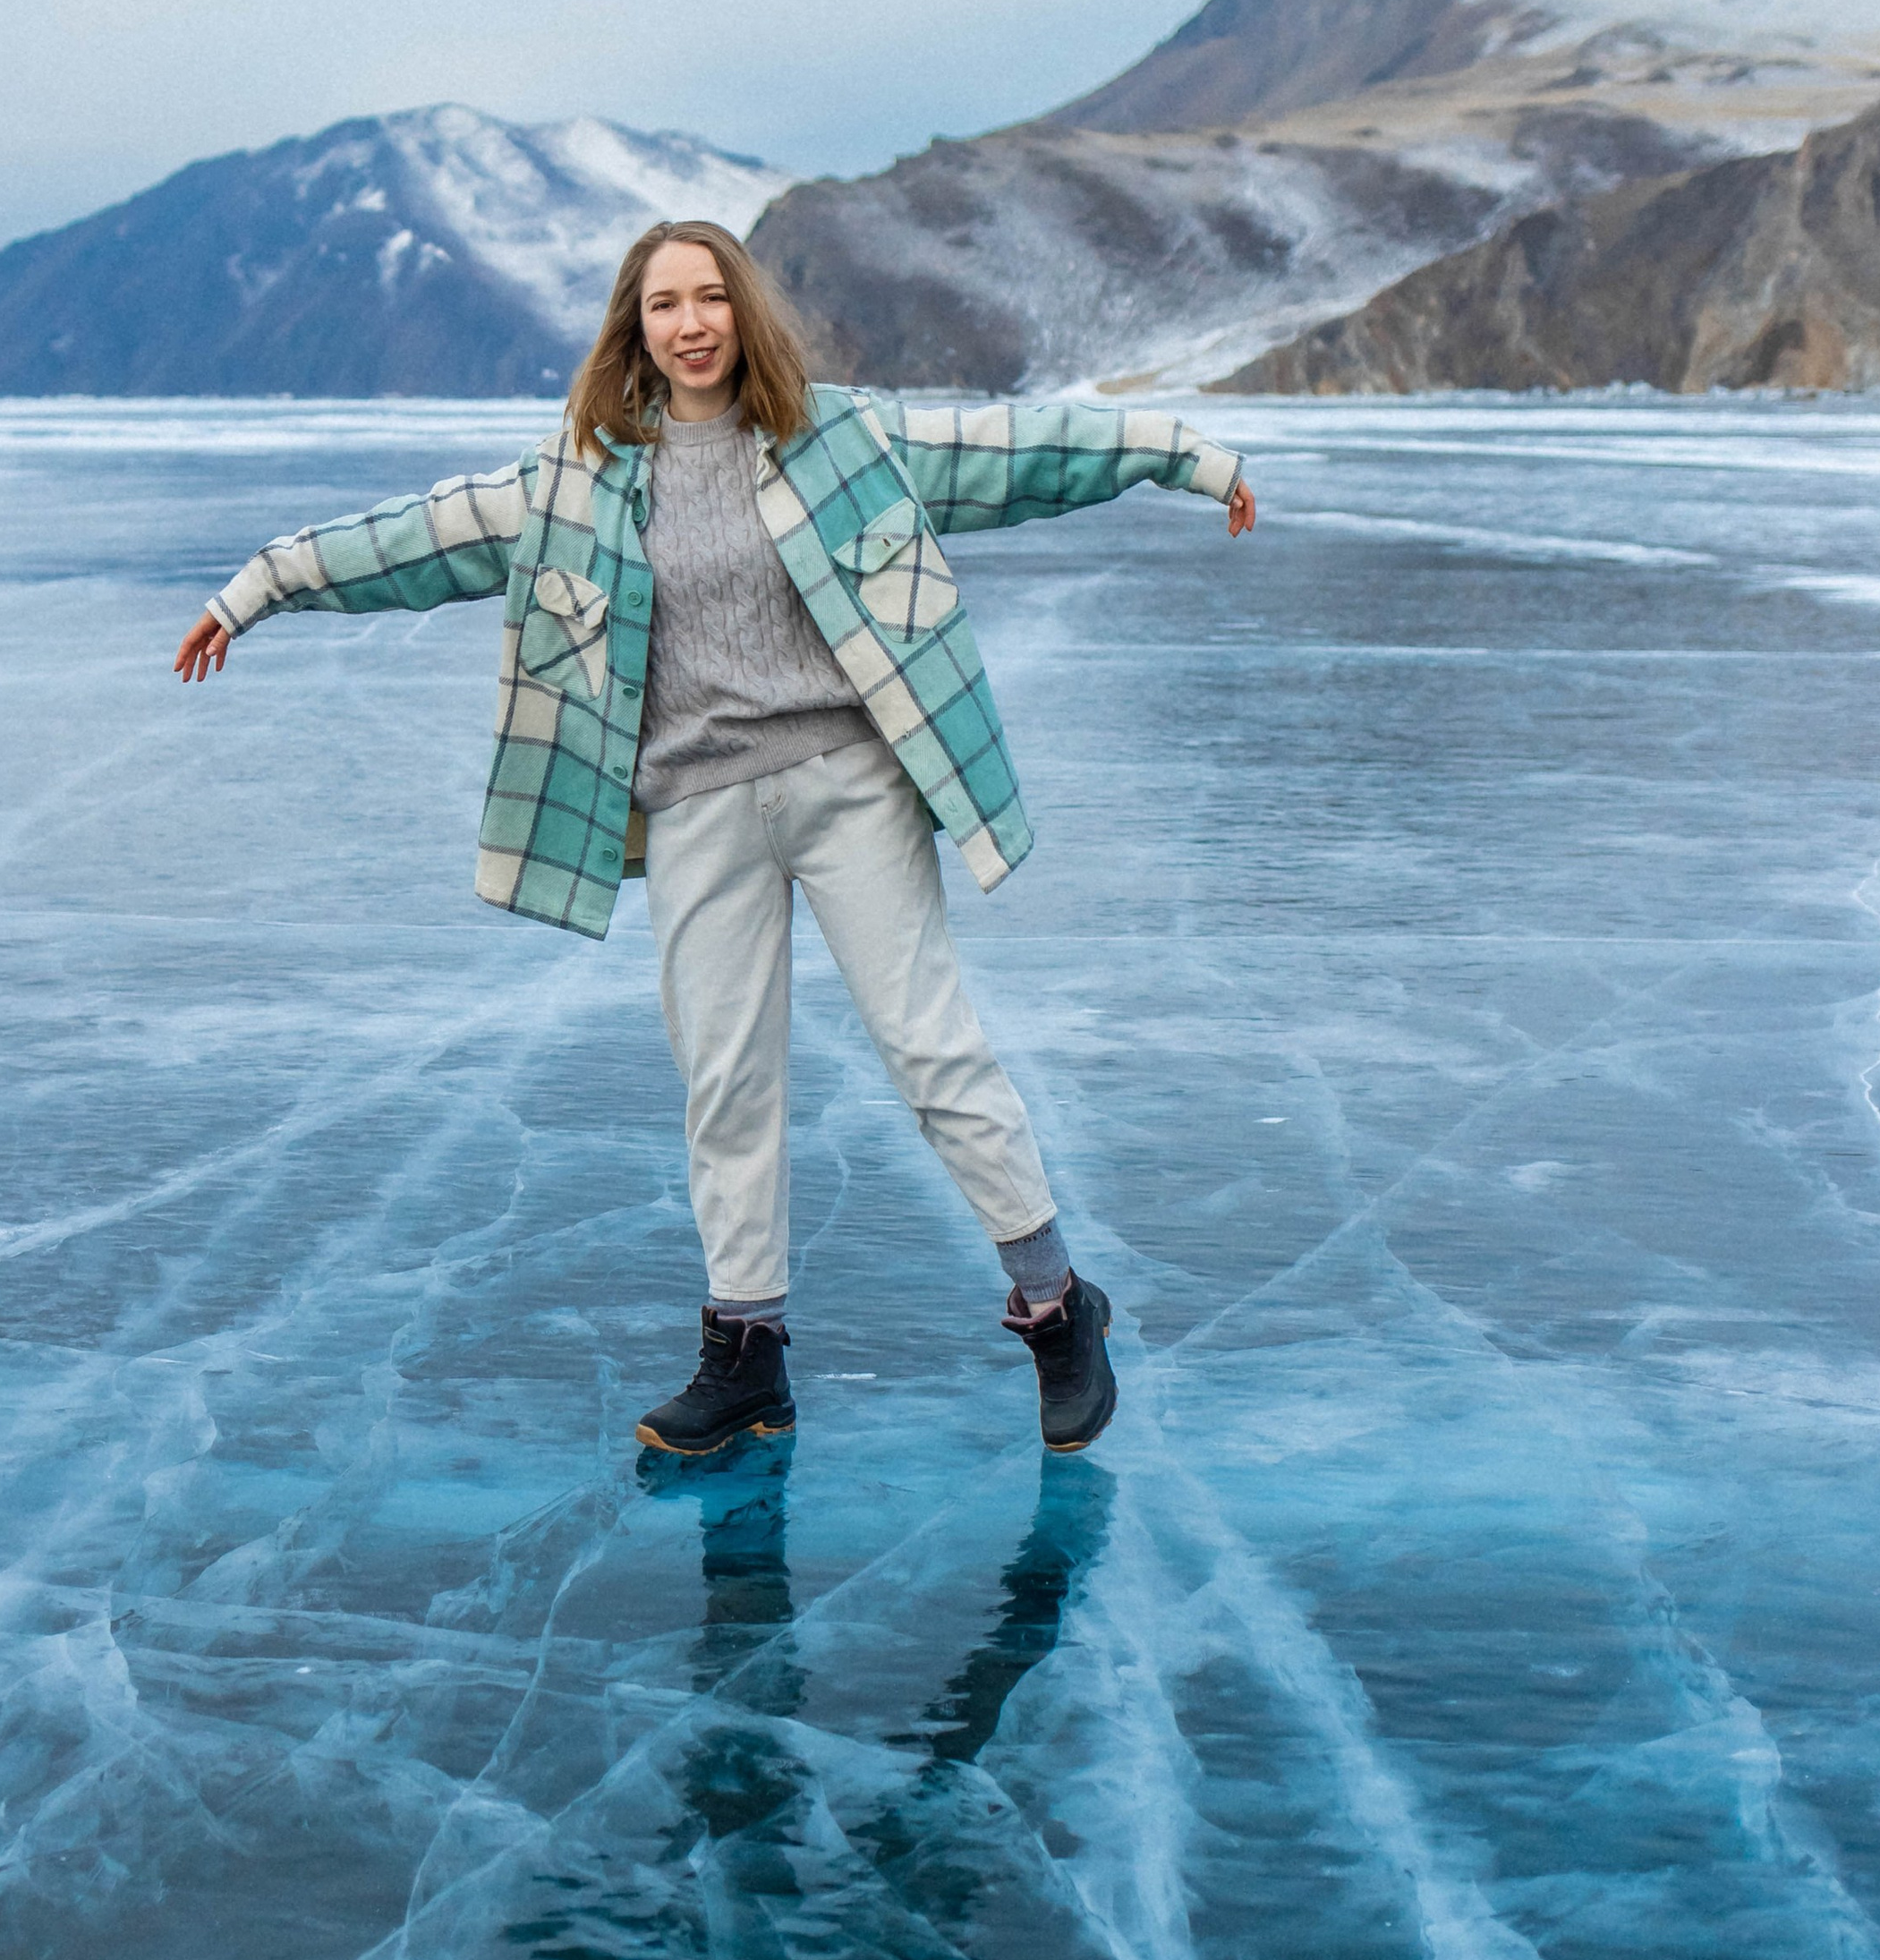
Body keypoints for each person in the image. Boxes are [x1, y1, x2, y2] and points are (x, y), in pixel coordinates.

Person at [174, 220, 1255, 1458]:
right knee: (726, 1085)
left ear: (743, 311)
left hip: (851, 782)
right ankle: (748, 1353)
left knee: (929, 1048)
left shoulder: (844, 441)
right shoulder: (576, 480)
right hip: (695, 809)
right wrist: (255, 589)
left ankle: (1059, 1305)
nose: (689, 325)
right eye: (662, 306)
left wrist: (1186, 454)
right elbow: (413, 540)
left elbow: (1027, 451)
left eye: (708, 299)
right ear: (632, 331)